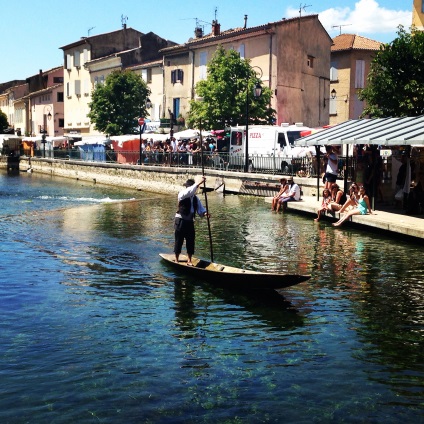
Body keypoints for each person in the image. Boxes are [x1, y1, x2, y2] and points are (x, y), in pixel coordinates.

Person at [174, 177, 210, 266]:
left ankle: (189, 260)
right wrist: (199, 183)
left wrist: (205, 213)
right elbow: (189, 191)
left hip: (189, 221)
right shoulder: (182, 194)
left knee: (191, 241)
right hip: (181, 220)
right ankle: (176, 259)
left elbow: (200, 209)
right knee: (179, 240)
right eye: (192, 188)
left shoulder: (195, 198)